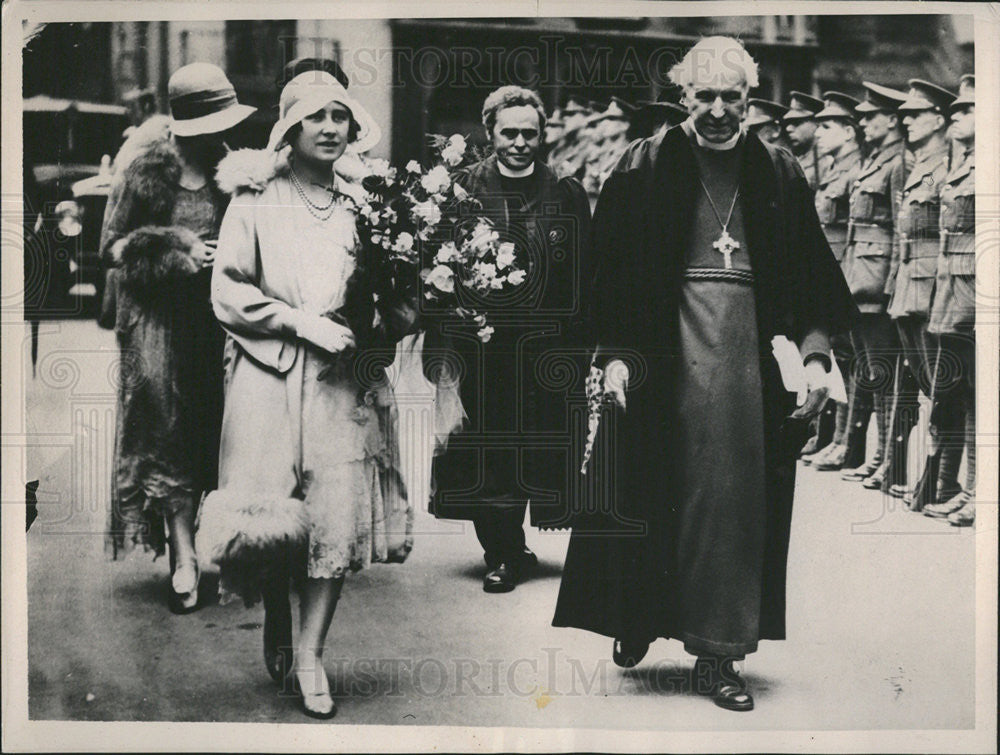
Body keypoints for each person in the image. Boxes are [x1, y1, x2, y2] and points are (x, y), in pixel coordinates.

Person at [553, 37, 857, 712]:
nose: (719, 111)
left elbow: (811, 281)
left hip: (749, 363)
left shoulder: (779, 171)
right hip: (663, 353)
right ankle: (639, 615)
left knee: (732, 507)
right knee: (648, 489)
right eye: (706, 96)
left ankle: (718, 652)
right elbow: (613, 279)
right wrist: (614, 357)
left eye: (734, 98)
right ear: (683, 97)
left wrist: (813, 357)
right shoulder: (645, 164)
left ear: (750, 102)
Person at [201, 70, 411, 718]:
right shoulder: (257, 198)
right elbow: (227, 291)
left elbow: (393, 297)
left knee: (333, 516)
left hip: (341, 384)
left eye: (340, 117)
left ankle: (312, 651)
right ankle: (274, 612)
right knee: (274, 520)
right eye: (315, 117)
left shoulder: (365, 203)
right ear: (289, 128)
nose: (329, 128)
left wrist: (401, 311)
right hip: (269, 375)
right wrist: (298, 321)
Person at [98, 62, 255, 613]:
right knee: (166, 430)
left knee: (219, 431)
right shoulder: (144, 170)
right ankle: (183, 558)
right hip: (160, 323)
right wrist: (177, 248)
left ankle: (229, 547)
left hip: (222, 319)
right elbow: (113, 249)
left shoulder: (236, 170)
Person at [424, 85, 591, 593]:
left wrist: (584, 346)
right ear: (489, 131)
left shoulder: (565, 189)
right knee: (487, 447)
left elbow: (585, 272)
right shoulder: (463, 189)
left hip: (545, 343)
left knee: (535, 444)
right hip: (482, 344)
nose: (520, 142)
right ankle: (501, 550)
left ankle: (515, 543)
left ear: (542, 136)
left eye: (530, 133)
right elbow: (437, 267)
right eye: (509, 132)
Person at [885, 80, 956, 503]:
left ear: (940, 119)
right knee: (928, 383)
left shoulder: (948, 165)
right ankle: (929, 480)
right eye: (905, 114)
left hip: (934, 288)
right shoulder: (917, 165)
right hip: (910, 287)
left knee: (942, 388)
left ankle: (938, 481)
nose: (906, 120)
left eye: (916, 113)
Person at [837, 82, 908, 487]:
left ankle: (888, 460)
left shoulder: (899, 163)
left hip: (879, 282)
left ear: (892, 120)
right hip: (860, 278)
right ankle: (880, 458)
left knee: (884, 373)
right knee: (870, 370)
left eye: (871, 116)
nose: (863, 122)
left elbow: (902, 229)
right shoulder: (875, 161)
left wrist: (894, 283)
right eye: (861, 117)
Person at [922, 75, 975, 526]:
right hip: (952, 290)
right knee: (958, 389)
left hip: (977, 292)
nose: (956, 116)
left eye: (966, 110)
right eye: (954, 110)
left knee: (979, 394)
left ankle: (977, 488)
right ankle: (962, 486)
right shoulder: (967, 163)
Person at [802, 92, 864, 472]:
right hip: (833, 269)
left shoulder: (855, 169)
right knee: (839, 357)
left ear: (850, 131)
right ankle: (833, 437)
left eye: (827, 126)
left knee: (853, 359)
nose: (818, 133)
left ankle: (846, 442)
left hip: (852, 272)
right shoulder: (834, 168)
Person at [782, 91, 826, 191]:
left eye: (796, 122)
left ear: (817, 123)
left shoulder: (825, 162)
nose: (789, 128)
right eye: (788, 122)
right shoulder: (795, 157)